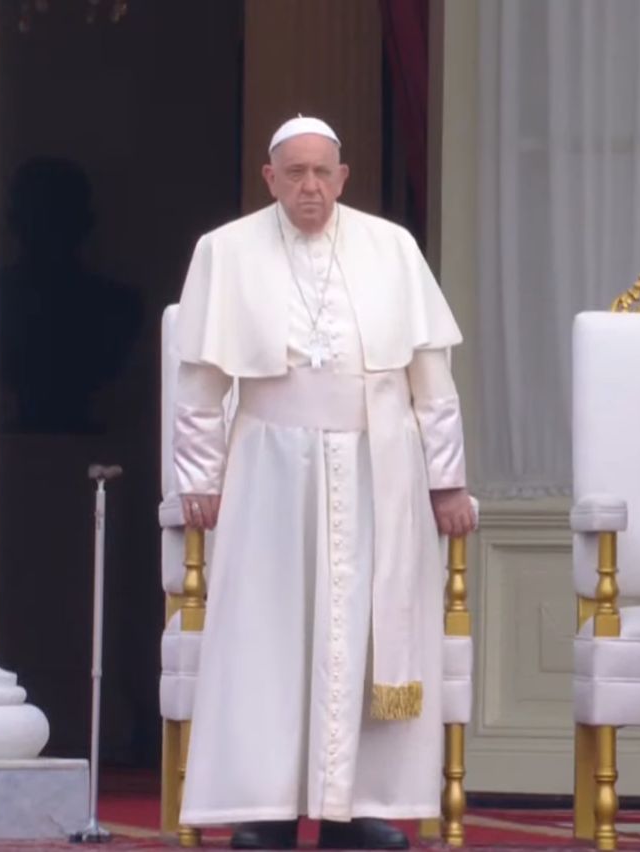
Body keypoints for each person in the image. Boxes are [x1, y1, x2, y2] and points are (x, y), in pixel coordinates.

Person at [171, 116, 476, 851]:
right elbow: (200, 383)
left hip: (382, 468)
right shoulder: (226, 250)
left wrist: (447, 481)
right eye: (295, 173)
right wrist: (199, 478)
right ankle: (267, 805)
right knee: (270, 635)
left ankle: (362, 806)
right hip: (270, 470)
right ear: (269, 178)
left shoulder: (392, 247)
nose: (310, 187)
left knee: (371, 636)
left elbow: (431, 378)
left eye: (322, 173)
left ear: (343, 178)